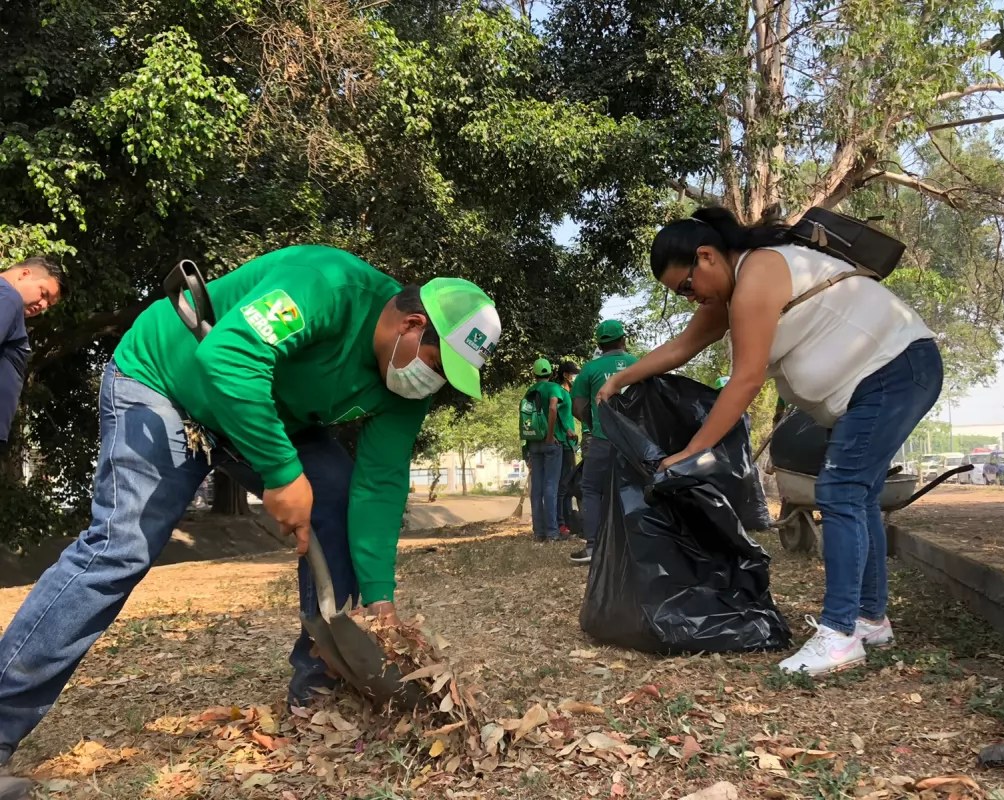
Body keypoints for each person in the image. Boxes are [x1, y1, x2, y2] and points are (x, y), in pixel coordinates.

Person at [0, 245, 501, 785]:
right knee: (118, 550)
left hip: (270, 409)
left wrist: (380, 599)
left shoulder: (405, 388)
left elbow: (380, 484)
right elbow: (228, 357)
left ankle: (319, 693)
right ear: (411, 324)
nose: (437, 381)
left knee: (334, 500)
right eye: (439, 364)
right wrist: (283, 474)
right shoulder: (326, 285)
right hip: (165, 382)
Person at [597, 207, 941, 675]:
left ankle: (839, 634)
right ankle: (869, 620)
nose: (690, 298)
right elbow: (682, 346)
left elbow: (744, 381)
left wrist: (690, 452)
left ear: (707, 257)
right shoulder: (737, 287)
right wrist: (620, 380)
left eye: (686, 286)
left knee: (841, 491)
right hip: (881, 379)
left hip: (895, 369)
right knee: (856, 498)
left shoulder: (757, 276)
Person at [569, 320, 637, 564]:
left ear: (599, 344)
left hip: (601, 438)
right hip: (634, 442)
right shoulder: (638, 364)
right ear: (623, 340)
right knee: (633, 489)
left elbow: (578, 407)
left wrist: (594, 422)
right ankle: (634, 546)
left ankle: (593, 547)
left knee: (592, 490)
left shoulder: (589, 369)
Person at [0, 257, 64, 446]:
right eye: (44, 293)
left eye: (49, 304)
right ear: (24, 274)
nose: (43, 306)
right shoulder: (10, 297)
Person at [522, 358, 577, 541]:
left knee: (536, 488)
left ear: (534, 374)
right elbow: (553, 408)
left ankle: (539, 532)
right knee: (551, 487)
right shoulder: (553, 388)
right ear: (551, 373)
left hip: (533, 442)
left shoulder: (529, 391)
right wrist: (550, 435)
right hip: (551, 444)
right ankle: (553, 532)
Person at [555, 361, 582, 536]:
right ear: (565, 375)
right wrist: (567, 430)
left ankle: (567, 522)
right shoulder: (559, 391)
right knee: (563, 486)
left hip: (570, 443)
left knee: (568, 485)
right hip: (564, 442)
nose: (575, 377)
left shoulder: (569, 393)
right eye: (573, 374)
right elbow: (555, 412)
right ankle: (560, 523)